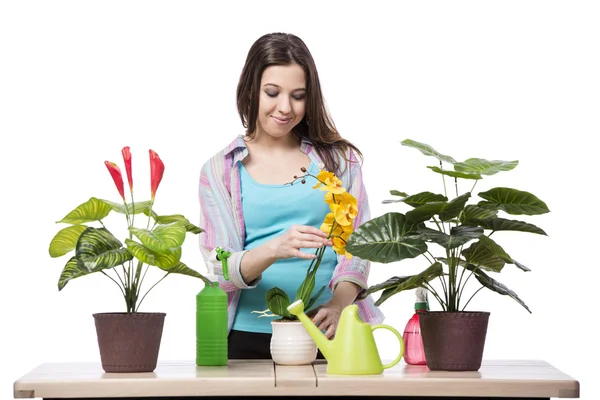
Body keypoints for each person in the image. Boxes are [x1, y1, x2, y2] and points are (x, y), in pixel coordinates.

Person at [198, 32, 384, 359]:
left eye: (298, 96)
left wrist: (339, 305)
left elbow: (358, 245)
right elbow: (220, 269)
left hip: (328, 331)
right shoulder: (221, 170)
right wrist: (275, 248)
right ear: (251, 90)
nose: (285, 108)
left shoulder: (337, 162)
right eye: (273, 93)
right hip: (247, 335)